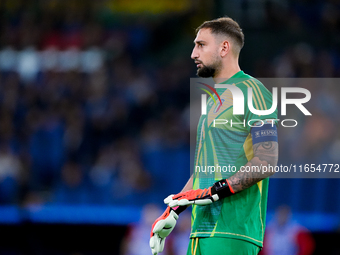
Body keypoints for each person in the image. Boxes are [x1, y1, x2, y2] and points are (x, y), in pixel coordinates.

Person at [150, 17, 279, 255]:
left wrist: (217, 190)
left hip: (232, 231)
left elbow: (267, 160)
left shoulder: (254, 92)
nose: (192, 54)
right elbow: (203, 170)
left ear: (224, 48)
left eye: (201, 45)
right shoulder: (213, 100)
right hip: (200, 231)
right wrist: (175, 208)